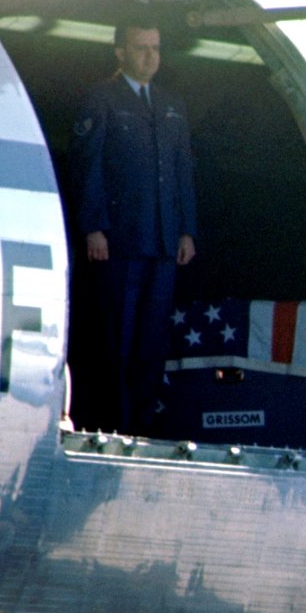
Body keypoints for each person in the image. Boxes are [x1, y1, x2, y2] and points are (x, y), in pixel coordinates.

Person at [70, 23, 197, 432]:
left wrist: (186, 231)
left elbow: (181, 172)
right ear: (120, 52)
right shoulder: (101, 98)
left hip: (161, 242)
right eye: (141, 49)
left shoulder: (170, 104)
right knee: (116, 342)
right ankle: (112, 426)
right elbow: (87, 167)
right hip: (119, 242)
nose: (150, 57)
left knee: (151, 345)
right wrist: (93, 228)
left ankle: (140, 430)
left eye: (156, 48)